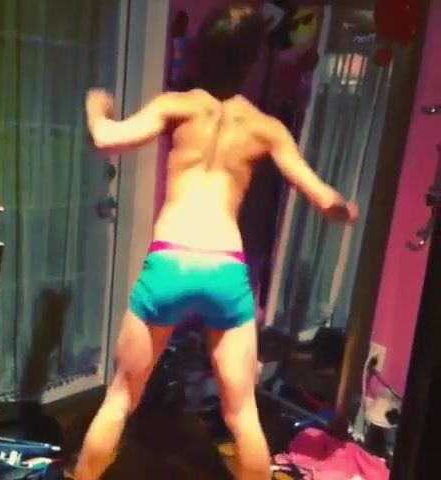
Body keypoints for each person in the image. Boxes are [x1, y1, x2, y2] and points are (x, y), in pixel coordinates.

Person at [74, 3, 358, 480]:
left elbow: (107, 139)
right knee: (242, 413)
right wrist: (343, 208)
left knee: (121, 396)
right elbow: (322, 196)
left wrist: (96, 109)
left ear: (204, 52)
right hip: (224, 267)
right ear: (251, 59)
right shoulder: (267, 127)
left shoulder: (177, 105)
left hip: (171, 260)